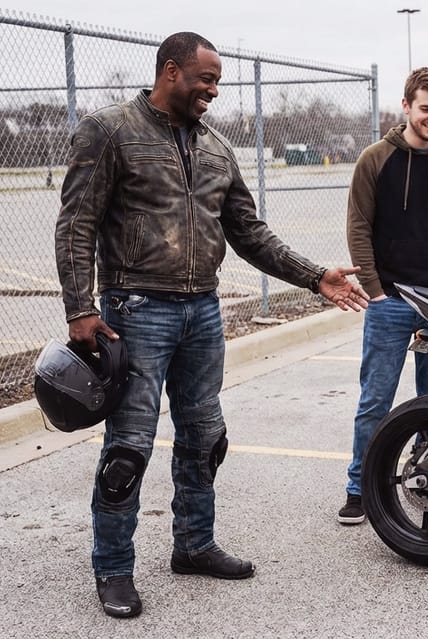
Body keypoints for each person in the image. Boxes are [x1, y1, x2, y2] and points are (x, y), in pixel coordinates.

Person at [55, 32, 368, 618]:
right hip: (135, 313)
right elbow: (75, 223)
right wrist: (81, 308)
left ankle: (194, 545)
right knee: (129, 448)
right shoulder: (110, 130)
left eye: (218, 80)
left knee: (205, 439)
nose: (214, 91)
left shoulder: (218, 148)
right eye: (205, 79)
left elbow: (248, 231)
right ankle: (113, 570)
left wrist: (314, 275)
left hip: (203, 313)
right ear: (170, 71)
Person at [340, 67, 428, 524]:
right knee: (375, 402)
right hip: (390, 304)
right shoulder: (375, 159)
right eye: (426, 109)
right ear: (406, 106)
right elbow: (358, 227)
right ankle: (361, 486)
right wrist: (376, 293)